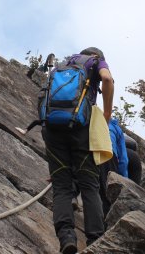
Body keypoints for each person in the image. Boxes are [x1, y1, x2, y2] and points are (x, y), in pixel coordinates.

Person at [42, 47, 114, 254]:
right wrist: (106, 113)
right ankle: (95, 241)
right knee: (89, 185)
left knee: (62, 187)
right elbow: (107, 80)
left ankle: (66, 238)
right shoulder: (96, 61)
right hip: (80, 128)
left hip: (53, 127)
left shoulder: (62, 66)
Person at [99, 117, 129, 216]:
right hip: (109, 155)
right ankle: (103, 226)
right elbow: (124, 159)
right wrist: (123, 179)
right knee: (106, 194)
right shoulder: (117, 129)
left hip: (92, 151)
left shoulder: (95, 120)